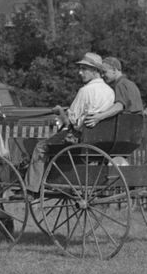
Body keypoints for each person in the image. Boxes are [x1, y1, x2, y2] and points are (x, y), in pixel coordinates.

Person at [24, 53, 115, 192]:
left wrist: (60, 111)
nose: (80, 72)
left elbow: (70, 122)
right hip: (100, 140)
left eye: (84, 69)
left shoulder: (85, 91)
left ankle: (31, 188)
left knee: (40, 147)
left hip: (79, 140)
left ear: (95, 71)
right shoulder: (110, 91)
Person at [83, 56, 143, 128]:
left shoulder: (120, 85)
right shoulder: (130, 84)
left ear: (114, 70)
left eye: (104, 72)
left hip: (126, 127)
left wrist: (98, 117)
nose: (102, 75)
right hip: (135, 126)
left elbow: (119, 107)